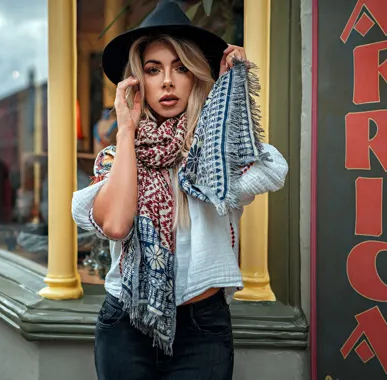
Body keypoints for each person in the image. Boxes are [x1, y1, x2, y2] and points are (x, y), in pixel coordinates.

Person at [71, 1, 288, 379]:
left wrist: (229, 93)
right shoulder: (115, 157)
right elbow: (117, 225)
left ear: (197, 78)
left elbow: (272, 168)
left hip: (202, 328)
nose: (168, 81)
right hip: (126, 322)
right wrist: (125, 130)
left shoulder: (217, 156)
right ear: (138, 83)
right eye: (153, 70)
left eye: (182, 68)